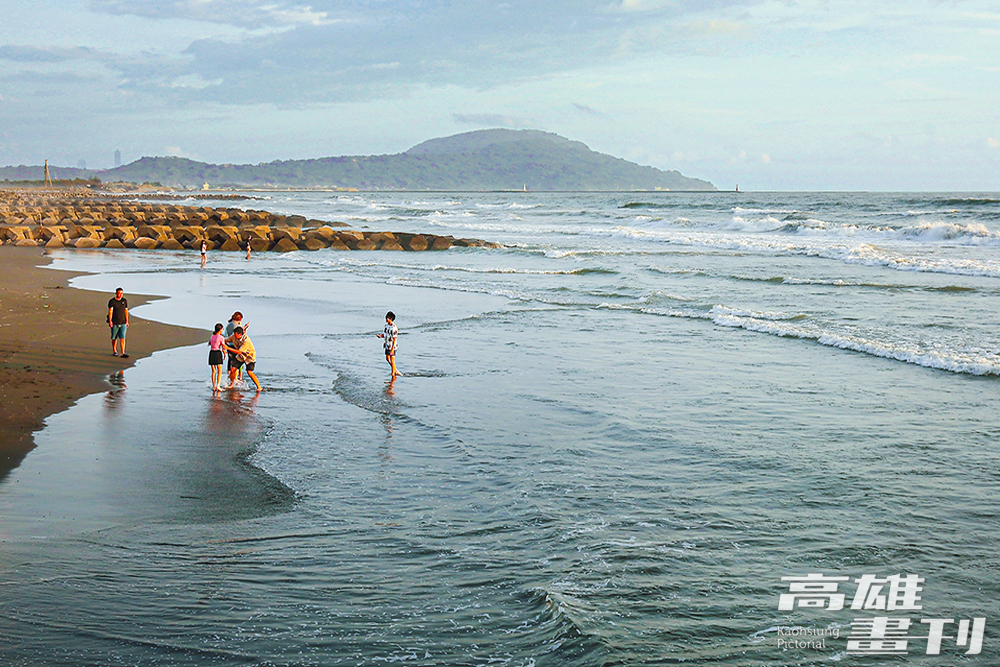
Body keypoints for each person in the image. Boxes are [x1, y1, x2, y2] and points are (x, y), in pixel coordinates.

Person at [224, 326, 261, 392]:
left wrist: (228, 348)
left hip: (249, 356)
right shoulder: (233, 336)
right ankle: (232, 384)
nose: (234, 336)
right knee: (233, 369)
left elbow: (239, 351)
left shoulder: (246, 340)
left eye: (236, 335)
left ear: (240, 334)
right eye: (234, 334)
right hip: (241, 356)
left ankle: (259, 387)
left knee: (249, 372)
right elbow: (226, 340)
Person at [224, 312, 248, 383]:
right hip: (234, 344)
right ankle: (236, 378)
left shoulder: (229, 324)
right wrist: (244, 328)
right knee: (237, 361)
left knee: (230, 360)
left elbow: (227, 334)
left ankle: (230, 376)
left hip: (229, 343)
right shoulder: (236, 325)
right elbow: (239, 335)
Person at [107, 287, 130, 358]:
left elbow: (126, 311)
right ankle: (114, 351)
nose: (120, 294)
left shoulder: (124, 301)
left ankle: (123, 352)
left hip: (123, 322)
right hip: (115, 322)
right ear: (116, 293)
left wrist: (127, 321)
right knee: (114, 338)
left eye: (121, 293)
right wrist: (110, 321)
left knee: (122, 337)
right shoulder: (112, 301)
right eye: (119, 293)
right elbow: (110, 311)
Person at [376, 311, 399, 377]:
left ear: (390, 319)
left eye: (387, 318)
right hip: (387, 345)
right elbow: (386, 334)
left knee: (392, 359)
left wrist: (392, 349)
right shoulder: (386, 326)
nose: (386, 319)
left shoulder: (394, 327)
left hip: (392, 346)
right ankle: (395, 370)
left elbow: (395, 338)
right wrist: (381, 336)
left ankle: (393, 374)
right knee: (387, 358)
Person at [208, 322, 225, 391]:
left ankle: (214, 386)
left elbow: (210, 343)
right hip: (218, 353)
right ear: (220, 329)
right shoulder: (221, 337)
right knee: (219, 371)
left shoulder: (212, 336)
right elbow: (223, 347)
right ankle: (218, 385)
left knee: (213, 371)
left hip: (212, 353)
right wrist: (225, 354)